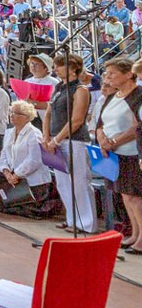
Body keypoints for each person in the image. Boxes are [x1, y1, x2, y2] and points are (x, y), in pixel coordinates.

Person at [0, 101, 57, 216]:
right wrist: (6, 171)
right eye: (11, 112)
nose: (12, 115)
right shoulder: (9, 132)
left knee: (22, 206)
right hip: (12, 172)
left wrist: (17, 174)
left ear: (27, 118)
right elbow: (3, 154)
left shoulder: (34, 133)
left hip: (31, 177)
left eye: (16, 113)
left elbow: (34, 160)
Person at [42, 53, 95, 234]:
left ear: (72, 68)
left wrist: (56, 139)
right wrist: (46, 136)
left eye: (59, 66)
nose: (55, 69)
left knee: (79, 181)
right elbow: (48, 112)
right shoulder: (58, 87)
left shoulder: (80, 89)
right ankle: (72, 219)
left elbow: (77, 120)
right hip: (56, 140)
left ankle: (86, 223)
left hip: (74, 141)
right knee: (63, 183)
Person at [97, 58, 142, 251]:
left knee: (134, 197)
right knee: (125, 196)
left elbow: (137, 127)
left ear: (128, 74)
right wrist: (102, 140)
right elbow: (100, 123)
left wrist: (114, 142)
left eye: (113, 73)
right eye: (107, 74)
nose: (108, 78)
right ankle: (135, 233)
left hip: (131, 152)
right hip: (113, 154)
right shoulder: (112, 96)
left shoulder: (137, 96)